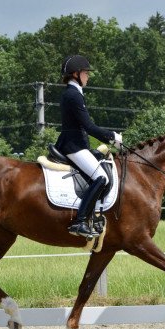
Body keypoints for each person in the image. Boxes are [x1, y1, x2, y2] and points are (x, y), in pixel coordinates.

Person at [55, 55, 123, 238]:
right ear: (76, 74)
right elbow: (88, 126)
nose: (88, 76)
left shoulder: (74, 93)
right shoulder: (73, 95)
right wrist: (112, 137)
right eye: (85, 73)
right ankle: (80, 221)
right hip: (73, 146)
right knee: (101, 178)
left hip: (76, 143)